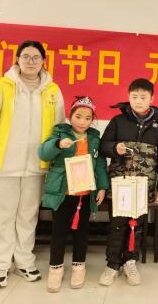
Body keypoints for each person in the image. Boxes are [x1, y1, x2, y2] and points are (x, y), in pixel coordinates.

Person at [0, 40, 65, 288]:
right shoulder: (2, 87)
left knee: (28, 216)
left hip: (37, 166)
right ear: (17, 59)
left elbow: (59, 131)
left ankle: (24, 261)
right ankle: (1, 264)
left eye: (36, 57)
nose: (31, 62)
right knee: (3, 217)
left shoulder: (53, 91)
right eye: (26, 57)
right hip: (4, 165)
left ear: (43, 61)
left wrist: (57, 165)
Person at [98, 78, 158, 286]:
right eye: (134, 97)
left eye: (143, 97)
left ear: (152, 98)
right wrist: (114, 148)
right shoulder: (118, 121)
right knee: (117, 224)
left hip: (143, 185)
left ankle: (130, 262)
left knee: (136, 224)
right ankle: (112, 264)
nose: (138, 101)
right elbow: (103, 146)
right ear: (128, 97)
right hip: (119, 184)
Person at [38, 96, 109, 292]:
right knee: (59, 232)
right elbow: (43, 153)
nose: (82, 122)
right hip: (63, 192)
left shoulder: (94, 137)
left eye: (88, 118)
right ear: (70, 116)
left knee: (81, 233)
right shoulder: (59, 133)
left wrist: (102, 187)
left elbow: (100, 164)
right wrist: (58, 144)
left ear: (92, 120)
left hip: (85, 193)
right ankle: (56, 268)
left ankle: (79, 266)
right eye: (78, 116)